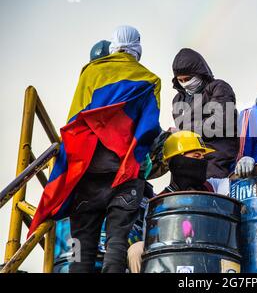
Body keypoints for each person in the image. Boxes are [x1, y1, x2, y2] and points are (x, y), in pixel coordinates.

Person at [29, 25, 162, 273]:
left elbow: (75, 123)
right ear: (137, 47)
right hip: (124, 176)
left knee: (81, 250)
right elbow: (148, 131)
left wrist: (67, 173)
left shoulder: (90, 73)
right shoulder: (150, 80)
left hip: (87, 175)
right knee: (116, 243)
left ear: (114, 44)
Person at [127, 130, 229, 273]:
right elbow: (151, 239)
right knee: (136, 249)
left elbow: (235, 182)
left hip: (210, 248)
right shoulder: (157, 202)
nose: (201, 162)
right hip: (169, 252)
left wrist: (248, 168)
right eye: (196, 156)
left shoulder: (215, 187)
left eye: (202, 157)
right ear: (176, 161)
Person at [171, 48, 238, 179]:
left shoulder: (219, 87)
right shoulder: (178, 99)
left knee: (211, 194)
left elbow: (221, 122)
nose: (185, 84)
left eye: (188, 78)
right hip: (187, 162)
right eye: (181, 80)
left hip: (217, 159)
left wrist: (183, 130)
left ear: (200, 73)